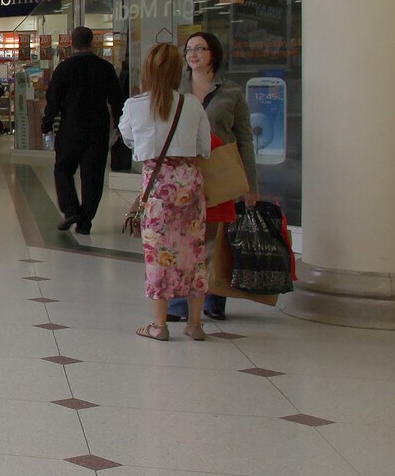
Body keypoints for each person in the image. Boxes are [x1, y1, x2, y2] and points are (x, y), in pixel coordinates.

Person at [118, 41, 214, 341]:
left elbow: (129, 139)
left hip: (157, 184)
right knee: (195, 252)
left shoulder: (135, 105)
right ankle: (195, 324)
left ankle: (160, 325)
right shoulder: (192, 104)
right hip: (190, 182)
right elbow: (205, 148)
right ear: (178, 71)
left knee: (158, 254)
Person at [169, 30, 259, 325]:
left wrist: (249, 185)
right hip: (184, 172)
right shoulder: (175, 89)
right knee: (183, 238)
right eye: (189, 49)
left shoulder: (231, 92)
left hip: (220, 170)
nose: (193, 54)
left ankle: (214, 298)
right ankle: (180, 302)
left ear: (214, 54)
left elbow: (244, 139)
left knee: (214, 240)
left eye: (200, 49)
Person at [41, 26, 126, 234]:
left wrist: (47, 123)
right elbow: (116, 99)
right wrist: (120, 124)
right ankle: (85, 221)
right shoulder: (104, 68)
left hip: (70, 127)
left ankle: (71, 209)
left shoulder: (64, 68)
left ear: (71, 42)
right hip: (98, 129)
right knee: (93, 176)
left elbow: (53, 99)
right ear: (93, 43)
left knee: (63, 168)